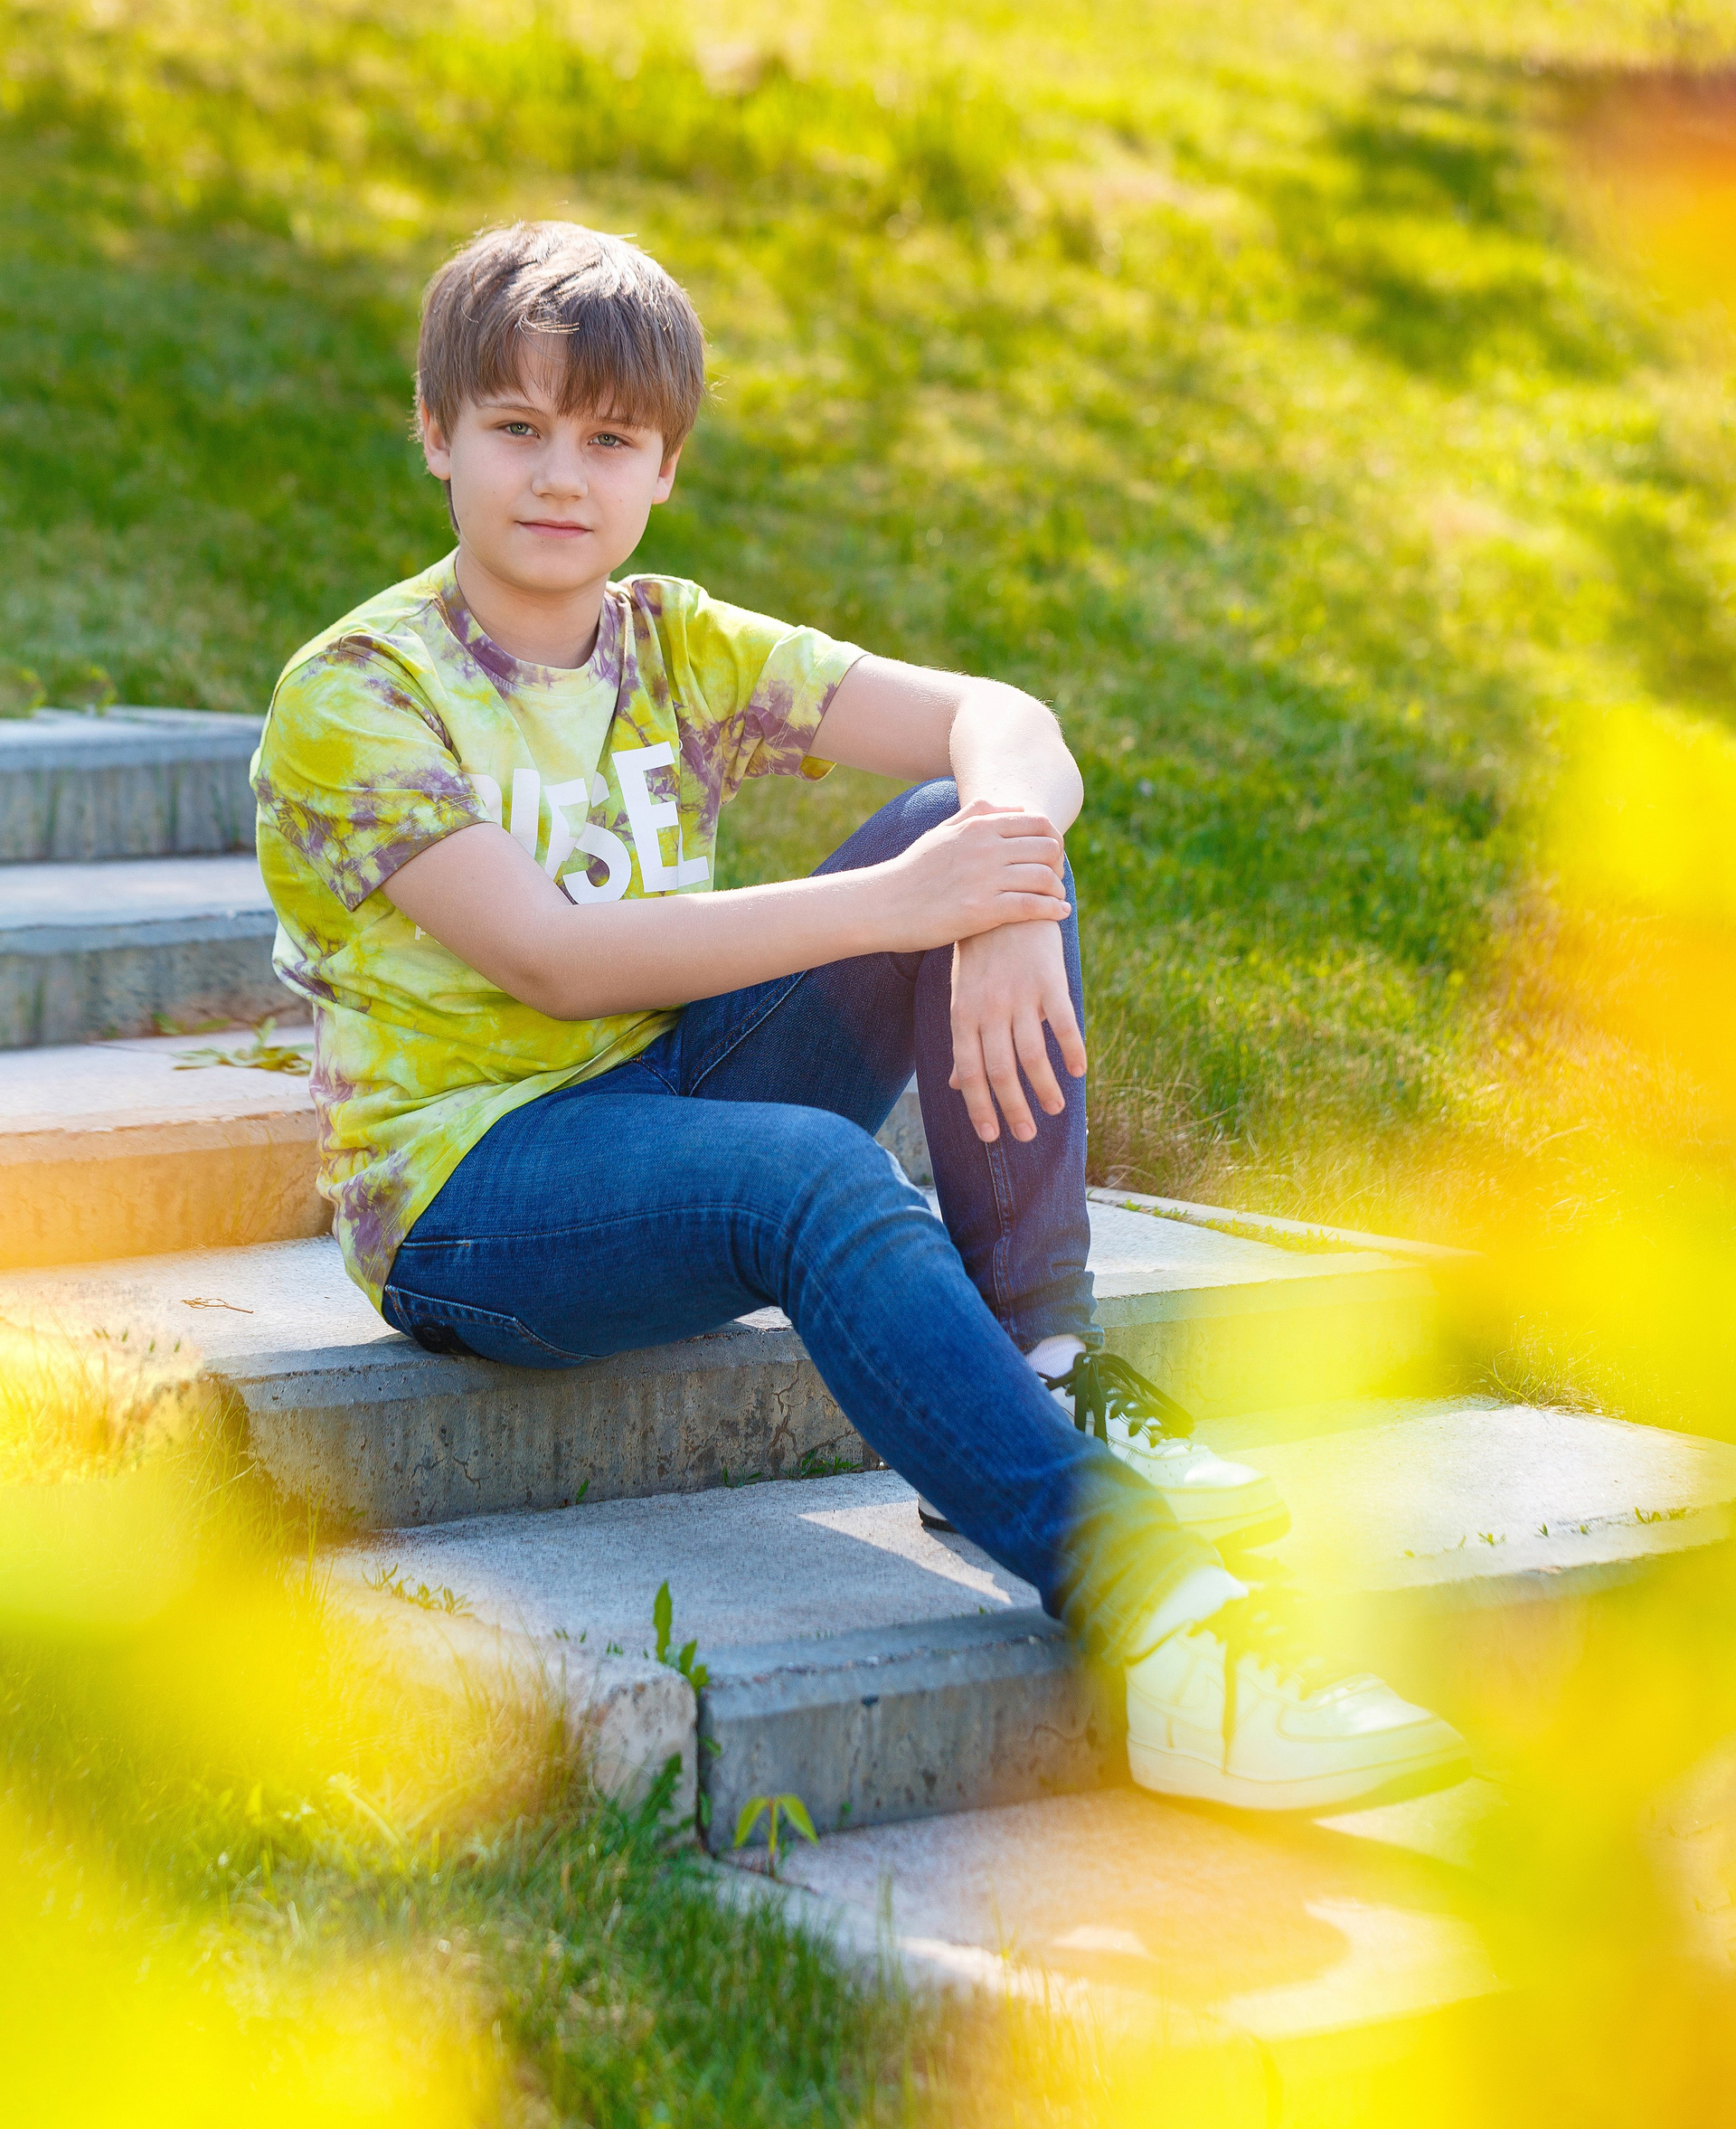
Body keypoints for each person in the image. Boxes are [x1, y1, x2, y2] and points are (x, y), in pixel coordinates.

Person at [252, 220, 1466, 1813]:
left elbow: (1004, 720)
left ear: (665, 465)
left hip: (660, 1091)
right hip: (470, 1196)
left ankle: (1035, 1364)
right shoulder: (358, 692)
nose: (560, 475)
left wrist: (999, 889)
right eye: (517, 426)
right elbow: (552, 959)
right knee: (825, 1162)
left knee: (967, 825)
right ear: (435, 432)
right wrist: (910, 904)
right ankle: (1170, 1628)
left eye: (608, 439)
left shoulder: (669, 639)